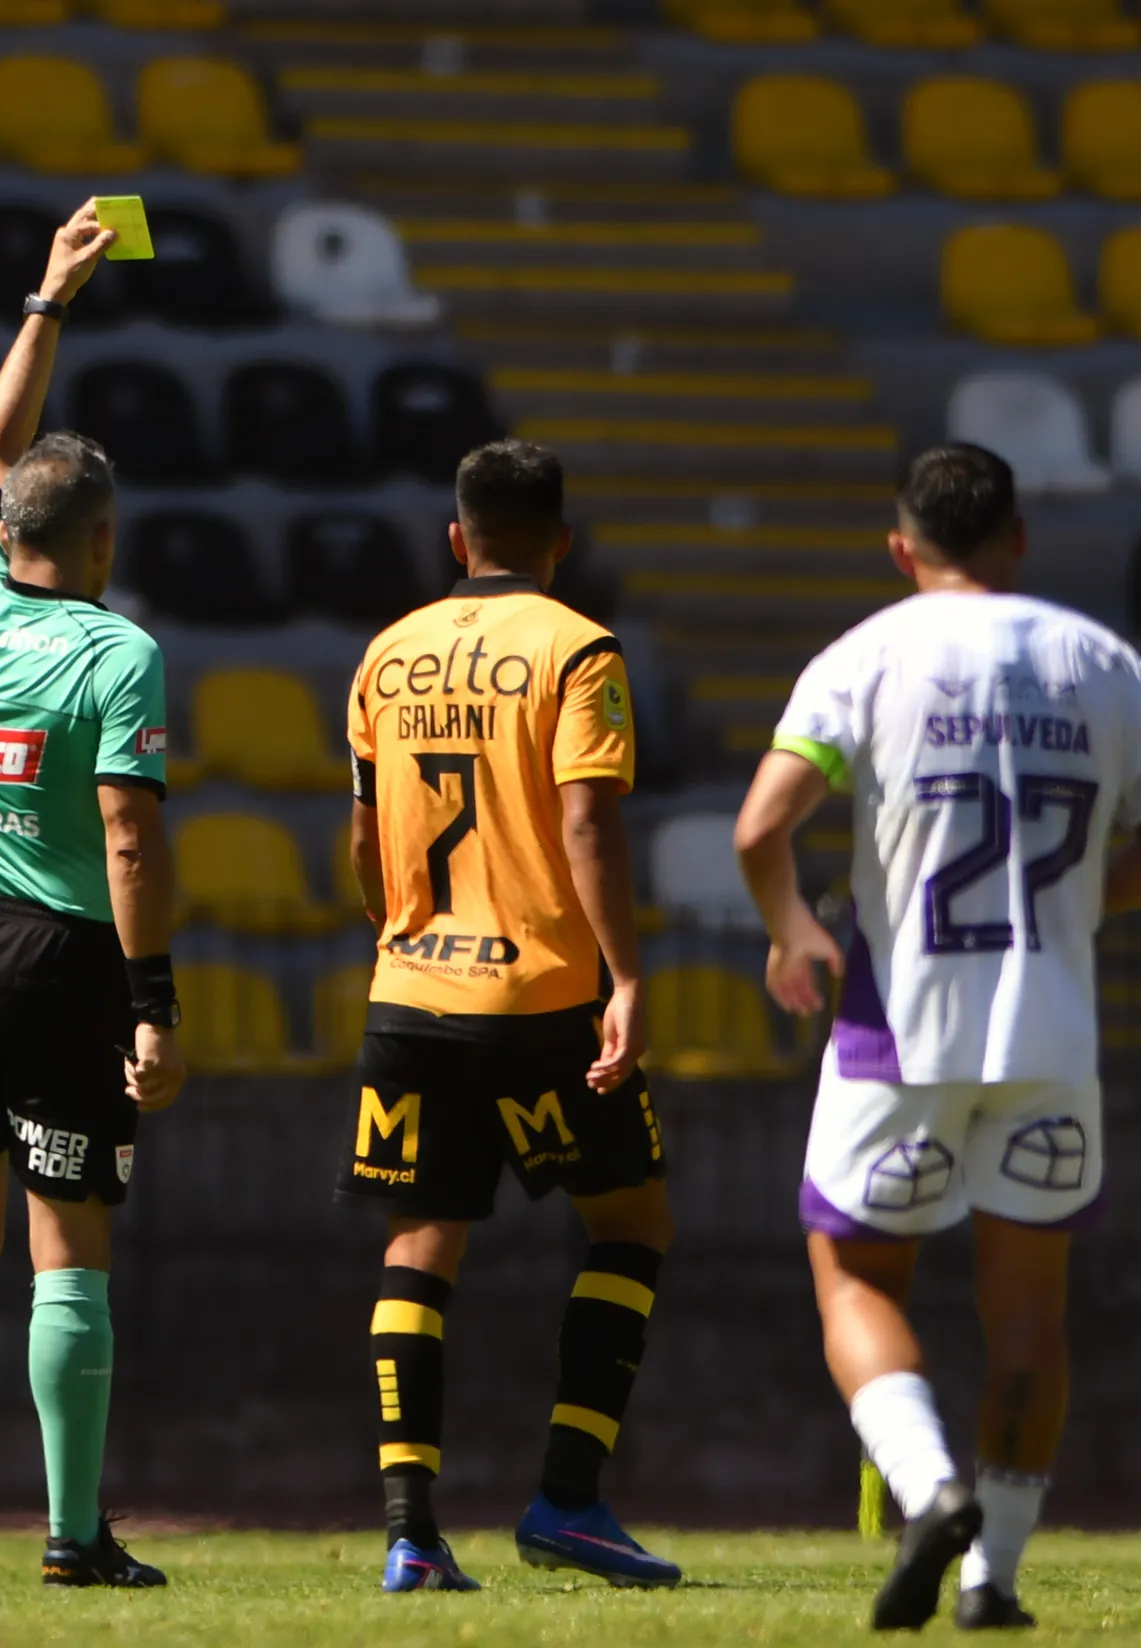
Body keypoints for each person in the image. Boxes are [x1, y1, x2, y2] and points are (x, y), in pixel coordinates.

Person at [734, 444, 1141, 1632]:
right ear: (1019, 538)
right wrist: (1082, 900)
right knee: (1029, 1315)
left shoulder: (867, 656)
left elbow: (760, 829)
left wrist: (791, 928)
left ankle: (923, 1481)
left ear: (902, 551)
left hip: (902, 1026)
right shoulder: (1096, 659)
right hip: (1051, 1029)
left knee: (853, 1270)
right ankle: (994, 1574)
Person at [0, 201, 185, 1593]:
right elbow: (130, 843)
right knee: (66, 1251)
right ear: (108, 539)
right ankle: (73, 1538)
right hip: (62, 957)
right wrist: (155, 1005)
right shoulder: (117, 656)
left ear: (4, 528)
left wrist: (48, 300)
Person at [340, 439, 679, 1593]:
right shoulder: (578, 647)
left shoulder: (387, 654)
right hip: (538, 995)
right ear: (561, 542)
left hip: (412, 991)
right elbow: (588, 825)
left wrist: (400, 936)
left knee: (420, 1244)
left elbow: (362, 837)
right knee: (631, 1225)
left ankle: (409, 1533)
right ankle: (569, 1499)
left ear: (457, 537)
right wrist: (625, 978)